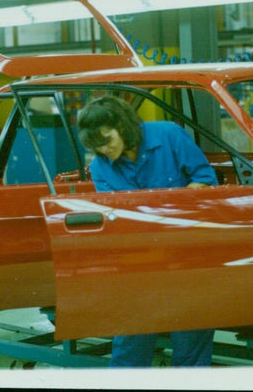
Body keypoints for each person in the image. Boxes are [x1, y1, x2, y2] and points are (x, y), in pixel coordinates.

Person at [76, 95, 218, 367]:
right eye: (97, 147)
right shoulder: (99, 167)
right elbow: (114, 217)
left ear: (123, 126)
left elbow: (204, 180)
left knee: (191, 336)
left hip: (186, 254)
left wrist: (164, 213)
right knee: (130, 341)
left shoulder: (169, 135)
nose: (105, 150)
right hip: (139, 260)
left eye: (107, 141)